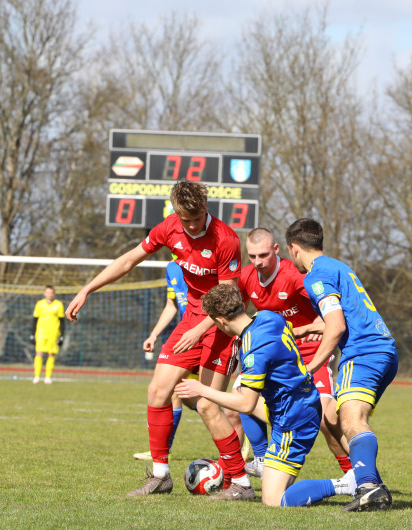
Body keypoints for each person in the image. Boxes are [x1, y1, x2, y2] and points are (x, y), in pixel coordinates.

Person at [66, 181, 254, 499]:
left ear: (206, 209)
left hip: (222, 326)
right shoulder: (169, 228)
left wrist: (199, 331)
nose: (191, 226)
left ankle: (242, 483)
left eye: (197, 219)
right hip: (191, 320)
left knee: (208, 405)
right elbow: (128, 260)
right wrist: (87, 289)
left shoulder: (226, 239)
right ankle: (160, 476)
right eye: (186, 220)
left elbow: (229, 298)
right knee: (157, 391)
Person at [174, 285, 357, 506]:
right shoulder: (267, 316)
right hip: (298, 402)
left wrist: (202, 390)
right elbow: (288, 331)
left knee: (273, 499)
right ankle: (262, 459)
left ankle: (346, 484)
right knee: (240, 388)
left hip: (293, 420)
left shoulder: (253, 348)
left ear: (220, 321)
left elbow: (246, 404)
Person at [285, 218, 398, 512]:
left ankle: (368, 487)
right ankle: (367, 482)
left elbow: (336, 327)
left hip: (363, 353)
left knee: (351, 420)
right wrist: (307, 328)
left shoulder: (315, 276)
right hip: (382, 349)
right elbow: (343, 315)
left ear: (294, 248)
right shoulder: (337, 266)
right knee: (333, 418)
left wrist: (309, 368)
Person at [235, 227, 352, 478]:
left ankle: (355, 474)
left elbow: (333, 310)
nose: (257, 262)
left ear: (276, 249)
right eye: (252, 256)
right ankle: (261, 459)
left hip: (311, 352)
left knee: (325, 419)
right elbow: (238, 315)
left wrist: (317, 323)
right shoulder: (246, 277)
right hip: (276, 355)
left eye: (263, 255)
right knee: (242, 395)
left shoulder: (295, 275)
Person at [134, 256, 196, 459]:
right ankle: (161, 450)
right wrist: (154, 334)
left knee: (206, 403)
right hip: (186, 336)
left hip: (208, 335)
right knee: (176, 393)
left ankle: (241, 434)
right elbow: (172, 306)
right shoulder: (172, 267)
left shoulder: (202, 261)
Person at [31, 285, 66, 384]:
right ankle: (37, 376)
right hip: (41, 332)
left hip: (53, 333)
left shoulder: (58, 305)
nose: (49, 294)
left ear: (54, 294)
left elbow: (62, 321)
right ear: (44, 293)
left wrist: (62, 335)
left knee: (51, 354)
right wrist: (32, 334)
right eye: (47, 292)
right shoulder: (40, 304)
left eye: (51, 292)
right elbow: (35, 320)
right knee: (39, 353)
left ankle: (48, 377)